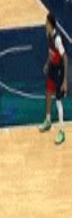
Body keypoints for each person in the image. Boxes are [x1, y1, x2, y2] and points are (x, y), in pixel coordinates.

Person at [39, 13, 68, 145]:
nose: (45, 24)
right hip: (52, 67)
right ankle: (48, 120)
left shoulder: (57, 39)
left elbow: (65, 58)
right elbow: (51, 52)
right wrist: (47, 63)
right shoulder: (48, 35)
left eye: (46, 22)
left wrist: (65, 81)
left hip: (59, 71)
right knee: (48, 92)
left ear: (50, 24)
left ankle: (62, 132)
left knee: (58, 101)